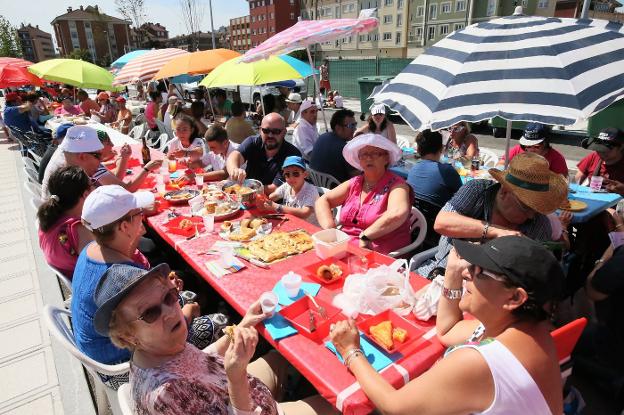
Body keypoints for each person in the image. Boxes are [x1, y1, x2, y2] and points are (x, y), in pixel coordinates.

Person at [330, 236, 565, 415]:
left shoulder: (479, 361)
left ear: (514, 298)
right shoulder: (532, 330)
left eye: (479, 272)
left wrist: (350, 350)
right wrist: (452, 273)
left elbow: (394, 406)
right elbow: (447, 331)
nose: (467, 272)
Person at [93, 263, 340, 414]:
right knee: (343, 406)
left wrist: (243, 324)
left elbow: (200, 358)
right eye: (150, 313)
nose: (169, 312)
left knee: (285, 355)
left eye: (169, 297)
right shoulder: (169, 395)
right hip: (251, 402)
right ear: (128, 335)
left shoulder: (158, 348)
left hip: (238, 386)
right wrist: (236, 377)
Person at [73, 186, 225, 386]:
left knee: (186, 294)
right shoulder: (118, 276)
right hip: (121, 366)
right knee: (221, 321)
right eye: (138, 213)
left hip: (104, 349)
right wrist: (187, 315)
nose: (143, 217)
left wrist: (164, 287)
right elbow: (150, 334)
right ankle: (223, 382)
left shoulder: (92, 249)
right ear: (123, 227)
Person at [416, 152, 567, 278]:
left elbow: (537, 274)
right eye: (526, 208)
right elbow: (442, 222)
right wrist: (497, 231)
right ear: (504, 192)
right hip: (439, 274)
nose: (531, 216)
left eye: (536, 209)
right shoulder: (477, 191)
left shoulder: (540, 224)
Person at [316, 133, 412, 254]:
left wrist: (366, 235)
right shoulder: (355, 182)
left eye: (375, 154)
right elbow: (323, 201)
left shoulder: (397, 185)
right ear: (359, 160)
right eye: (363, 155)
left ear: (386, 158)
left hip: (378, 252)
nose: (368, 158)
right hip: (343, 246)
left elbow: (398, 213)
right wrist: (330, 230)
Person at [37, 166, 94, 278]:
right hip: (90, 287)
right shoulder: (78, 229)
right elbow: (102, 267)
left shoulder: (47, 218)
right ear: (85, 194)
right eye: (92, 184)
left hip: (72, 278)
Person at [226, 113, 301, 194]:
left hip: (274, 203)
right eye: (266, 131)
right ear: (260, 130)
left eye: (276, 131)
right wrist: (234, 170)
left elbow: (275, 188)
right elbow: (234, 156)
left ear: (284, 132)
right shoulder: (253, 142)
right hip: (247, 197)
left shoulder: (292, 155)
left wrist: (246, 191)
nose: (270, 135)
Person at [41, 125, 104, 199]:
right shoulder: (70, 178)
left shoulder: (66, 154)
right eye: (98, 155)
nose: (102, 159)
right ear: (82, 156)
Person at [91, 130, 163, 191]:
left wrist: (123, 158)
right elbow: (126, 189)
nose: (112, 145)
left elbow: (116, 178)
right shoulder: (94, 168)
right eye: (108, 143)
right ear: (98, 147)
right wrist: (147, 169)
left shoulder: (94, 163)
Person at [408, 129, 463, 207]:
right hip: (439, 217)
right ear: (441, 148)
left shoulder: (414, 168)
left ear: (418, 150)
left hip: (415, 216)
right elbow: (462, 195)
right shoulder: (447, 171)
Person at [259, 156, 319, 220]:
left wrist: (278, 207)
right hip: (291, 222)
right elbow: (272, 197)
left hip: (309, 227)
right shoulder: (287, 186)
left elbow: (305, 213)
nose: (291, 178)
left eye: (296, 173)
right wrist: (261, 199)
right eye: (287, 174)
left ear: (305, 174)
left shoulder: (310, 190)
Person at [309, 109, 359, 185]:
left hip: (318, 188)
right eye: (351, 126)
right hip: (338, 191)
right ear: (338, 128)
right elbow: (356, 176)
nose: (355, 128)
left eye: (355, 124)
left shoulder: (322, 137)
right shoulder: (344, 148)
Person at [499, 123, 568, 176]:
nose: (531, 150)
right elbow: (502, 163)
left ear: (545, 143)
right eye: (528, 146)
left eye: (536, 146)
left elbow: (562, 181)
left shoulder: (556, 158)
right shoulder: (517, 149)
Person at [576, 127, 624, 194]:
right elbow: (576, 183)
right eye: (599, 148)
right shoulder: (594, 156)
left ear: (621, 147)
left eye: (606, 149)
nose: (601, 152)